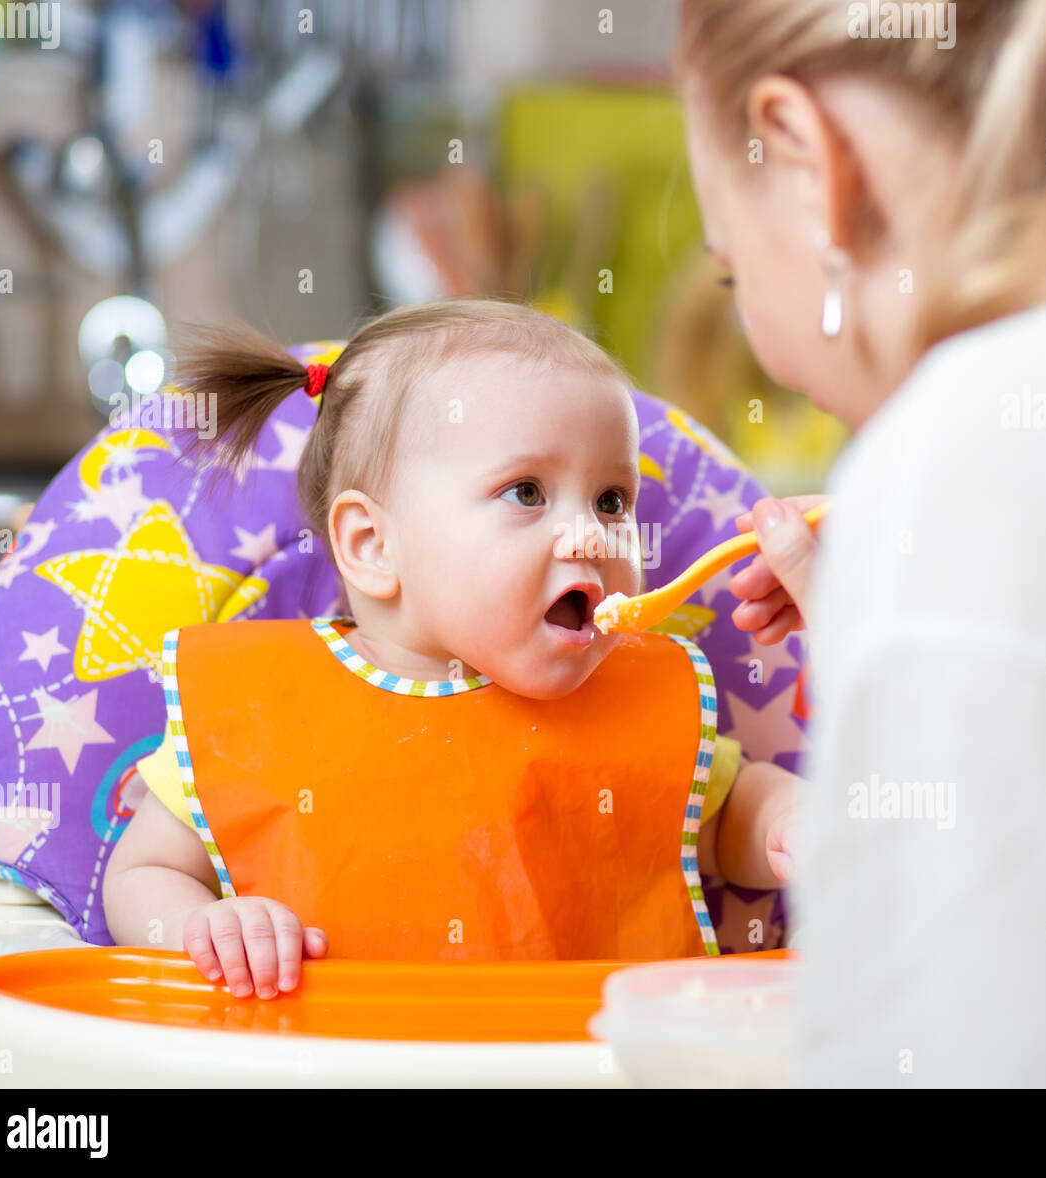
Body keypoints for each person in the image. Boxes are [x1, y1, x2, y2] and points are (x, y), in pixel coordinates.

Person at [677, 0, 1046, 1085]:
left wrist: (932, 606)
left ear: (808, 161)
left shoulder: (999, 428)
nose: (746, 317)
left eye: (727, 267)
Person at [102, 298, 801, 999]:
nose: (592, 535)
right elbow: (142, 874)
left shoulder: (640, 705)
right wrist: (213, 926)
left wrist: (789, 825)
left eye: (612, 500)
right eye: (527, 492)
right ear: (373, 545)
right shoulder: (259, 709)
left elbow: (724, 817)